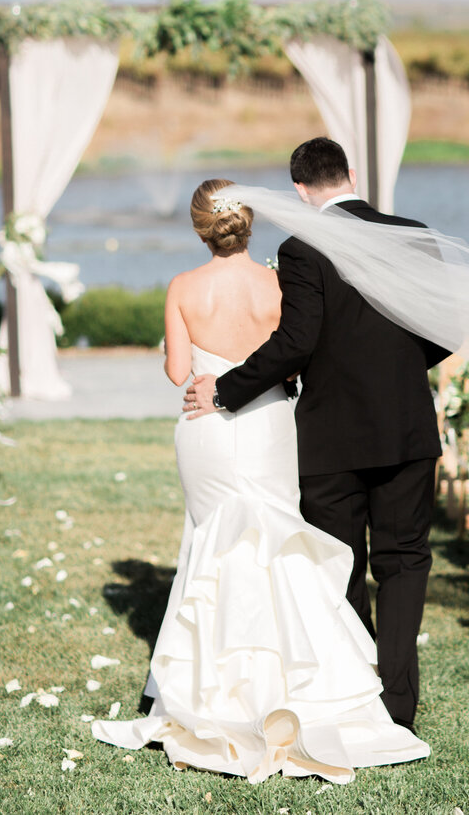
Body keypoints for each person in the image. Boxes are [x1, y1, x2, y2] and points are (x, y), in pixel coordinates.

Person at [92, 177, 430, 783]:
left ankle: (209, 686)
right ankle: (302, 678)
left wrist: (203, 366)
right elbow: (301, 350)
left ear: (200, 228)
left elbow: (177, 372)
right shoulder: (281, 280)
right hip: (272, 421)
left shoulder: (182, 287)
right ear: (248, 223)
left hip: (209, 429)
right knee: (277, 545)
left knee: (212, 544)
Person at [185, 139, 449, 731]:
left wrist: (225, 390)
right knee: (405, 562)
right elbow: (446, 328)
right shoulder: (415, 234)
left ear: (300, 190)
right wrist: (399, 369)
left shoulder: (302, 250)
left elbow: (296, 344)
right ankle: (399, 709)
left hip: (333, 435)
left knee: (339, 563)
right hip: (408, 427)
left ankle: (356, 689)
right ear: (351, 175)